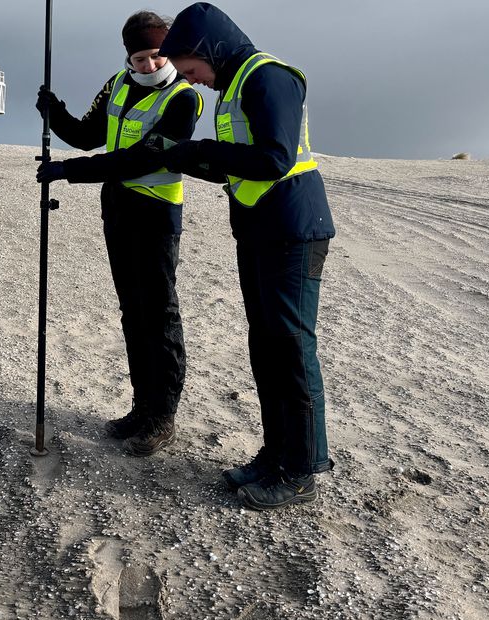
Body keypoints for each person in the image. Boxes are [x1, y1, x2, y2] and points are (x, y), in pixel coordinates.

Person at [152, 2, 336, 510]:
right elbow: (239, 165)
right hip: (259, 230)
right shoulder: (232, 88)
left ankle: (300, 469)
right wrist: (187, 158)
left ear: (210, 49)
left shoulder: (267, 77)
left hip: (293, 230)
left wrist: (202, 151)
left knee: (292, 351)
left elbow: (275, 158)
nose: (195, 81)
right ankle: (275, 454)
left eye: (192, 70)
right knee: (267, 349)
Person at [35, 10, 203, 457]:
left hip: (157, 215)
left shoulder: (185, 98)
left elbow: (143, 159)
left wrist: (68, 172)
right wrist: (55, 113)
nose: (149, 65)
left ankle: (162, 416)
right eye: (140, 58)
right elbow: (89, 134)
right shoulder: (117, 83)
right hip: (118, 210)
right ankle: (141, 407)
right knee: (132, 310)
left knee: (159, 313)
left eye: (156, 56)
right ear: (127, 57)